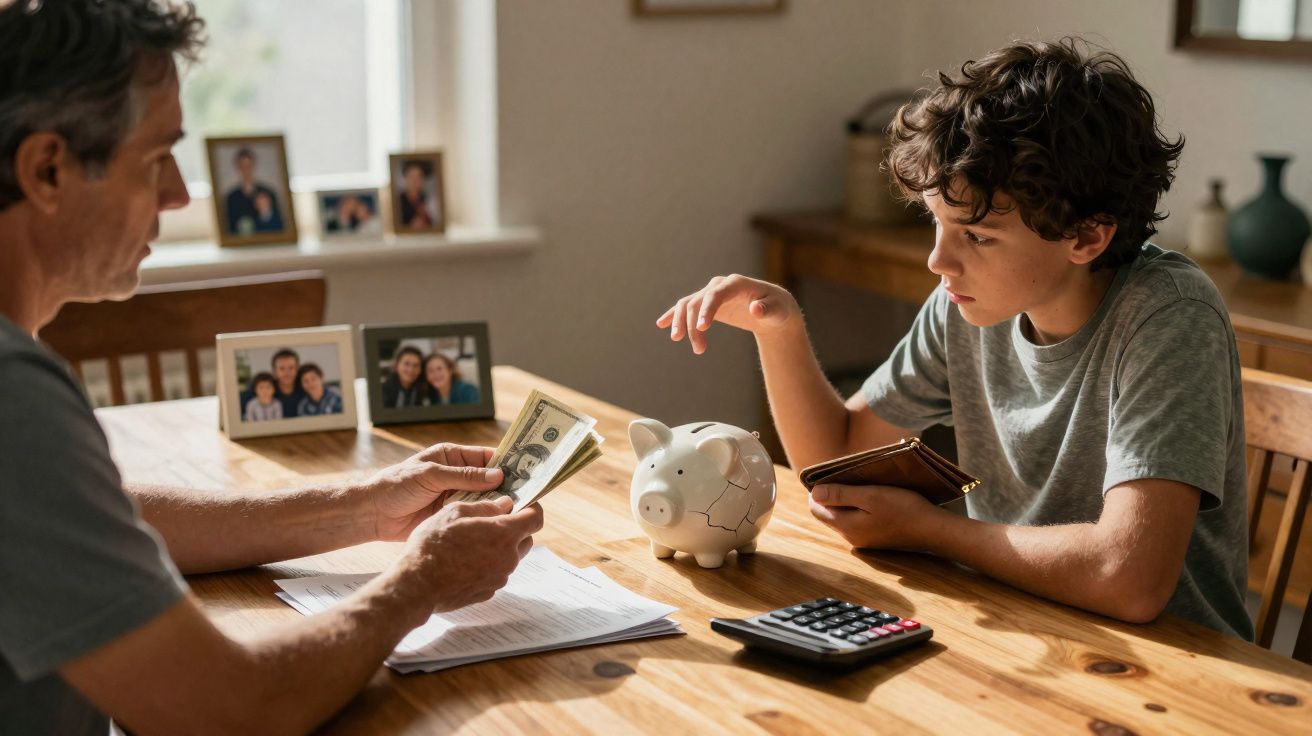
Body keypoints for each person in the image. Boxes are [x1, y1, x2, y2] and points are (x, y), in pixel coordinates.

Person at [0, 2, 542, 733]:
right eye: (157, 159)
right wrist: (422, 583)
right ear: (48, 169)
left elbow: (102, 519)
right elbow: (227, 707)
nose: (180, 195)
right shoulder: (13, 397)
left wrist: (368, 504)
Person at [659, 38, 1252, 639]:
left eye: (978, 236)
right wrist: (779, 330)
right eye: (937, 224)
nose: (939, 263)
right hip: (1020, 626)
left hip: (1176, 668)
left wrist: (928, 529)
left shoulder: (1168, 316)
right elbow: (837, 465)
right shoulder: (966, 306)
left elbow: (1130, 580)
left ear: (1087, 237)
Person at [223, 147, 283, 235]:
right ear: (238, 168)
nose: (246, 170)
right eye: (242, 166)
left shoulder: (268, 193)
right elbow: (230, 229)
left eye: (248, 166)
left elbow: (279, 226)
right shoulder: (231, 198)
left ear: (254, 166)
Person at [238, 347, 303, 420]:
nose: (287, 372)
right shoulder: (265, 387)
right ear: (274, 372)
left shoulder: (305, 390)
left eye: (291, 368)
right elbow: (236, 403)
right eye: (282, 368)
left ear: (297, 370)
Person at [397, 160, 435, 229]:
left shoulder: (427, 199)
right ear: (405, 178)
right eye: (411, 176)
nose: (415, 181)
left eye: (419, 176)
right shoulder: (398, 201)